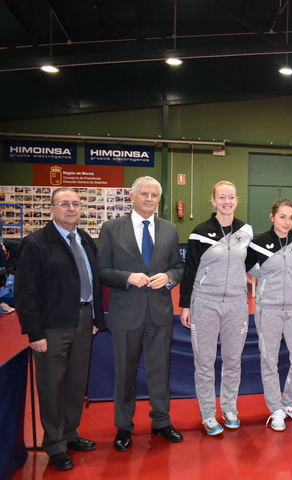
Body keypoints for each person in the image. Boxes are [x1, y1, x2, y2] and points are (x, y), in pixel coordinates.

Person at [14, 187, 107, 470]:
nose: (71, 208)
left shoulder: (85, 240)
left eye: (76, 204)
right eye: (64, 203)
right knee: (52, 387)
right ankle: (54, 444)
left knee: (76, 385)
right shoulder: (36, 243)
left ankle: (70, 434)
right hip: (52, 328)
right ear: (52, 208)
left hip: (83, 323)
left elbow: (94, 281)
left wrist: (94, 319)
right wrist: (35, 333)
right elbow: (25, 293)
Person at [98, 176, 185, 451]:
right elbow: (102, 271)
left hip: (160, 312)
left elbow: (179, 266)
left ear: (160, 200)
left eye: (154, 195)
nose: (149, 199)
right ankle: (123, 426)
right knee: (125, 372)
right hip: (126, 313)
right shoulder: (111, 228)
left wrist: (169, 277)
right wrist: (127, 277)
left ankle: (161, 421)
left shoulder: (170, 229)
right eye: (144, 194)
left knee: (160, 370)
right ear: (132, 197)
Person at [179, 181, 253, 435]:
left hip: (236, 304)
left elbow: (252, 265)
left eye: (231, 197)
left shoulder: (246, 231)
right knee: (205, 362)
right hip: (205, 304)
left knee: (233, 360)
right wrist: (185, 305)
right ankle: (208, 414)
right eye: (221, 197)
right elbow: (189, 271)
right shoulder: (200, 232)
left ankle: (229, 407)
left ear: (237, 199)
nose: (227, 201)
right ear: (213, 201)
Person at [246, 198, 292, 432]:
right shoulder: (258, 243)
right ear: (272, 217)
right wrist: (262, 277)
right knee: (269, 361)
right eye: (282, 217)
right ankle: (275, 409)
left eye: (291, 217)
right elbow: (245, 266)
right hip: (268, 309)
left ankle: (289, 402)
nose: (287, 222)